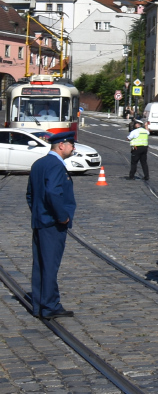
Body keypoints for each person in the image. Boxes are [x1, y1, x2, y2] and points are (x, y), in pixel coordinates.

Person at [26, 130, 77, 319]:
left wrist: (38, 212)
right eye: (72, 145)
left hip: (40, 221)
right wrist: (61, 216)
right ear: (61, 146)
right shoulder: (56, 165)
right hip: (53, 223)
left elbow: (30, 194)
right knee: (50, 265)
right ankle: (49, 306)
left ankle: (40, 305)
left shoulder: (39, 163)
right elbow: (53, 193)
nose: (73, 148)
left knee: (40, 265)